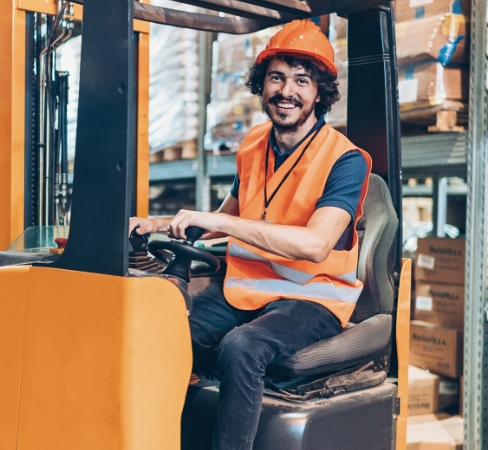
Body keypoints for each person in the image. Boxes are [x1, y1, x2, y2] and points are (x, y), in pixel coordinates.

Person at [130, 20, 371, 450]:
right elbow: (224, 216)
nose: (287, 90)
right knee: (159, 330)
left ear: (320, 93)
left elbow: (316, 245)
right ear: (262, 86)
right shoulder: (253, 146)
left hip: (313, 297)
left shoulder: (344, 159)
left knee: (242, 348)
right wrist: (159, 223)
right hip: (245, 291)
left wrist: (222, 223)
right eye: (276, 77)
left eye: (302, 80)